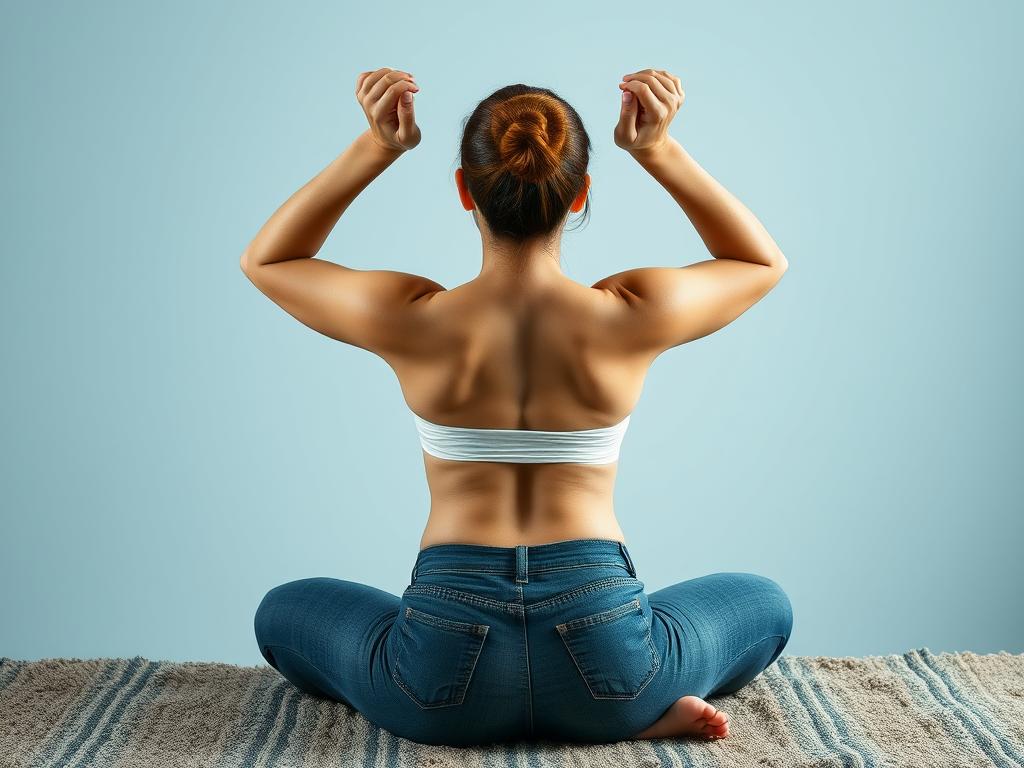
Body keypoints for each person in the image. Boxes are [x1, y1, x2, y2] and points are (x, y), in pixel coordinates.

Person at [242, 67, 793, 747]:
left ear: (463, 192)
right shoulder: (630, 316)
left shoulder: (414, 319)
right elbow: (759, 262)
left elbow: (270, 261)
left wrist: (377, 148)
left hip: (443, 674)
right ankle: (633, 713)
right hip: (609, 656)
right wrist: (658, 151)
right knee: (764, 603)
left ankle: (419, 698)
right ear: (580, 195)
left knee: (284, 612)